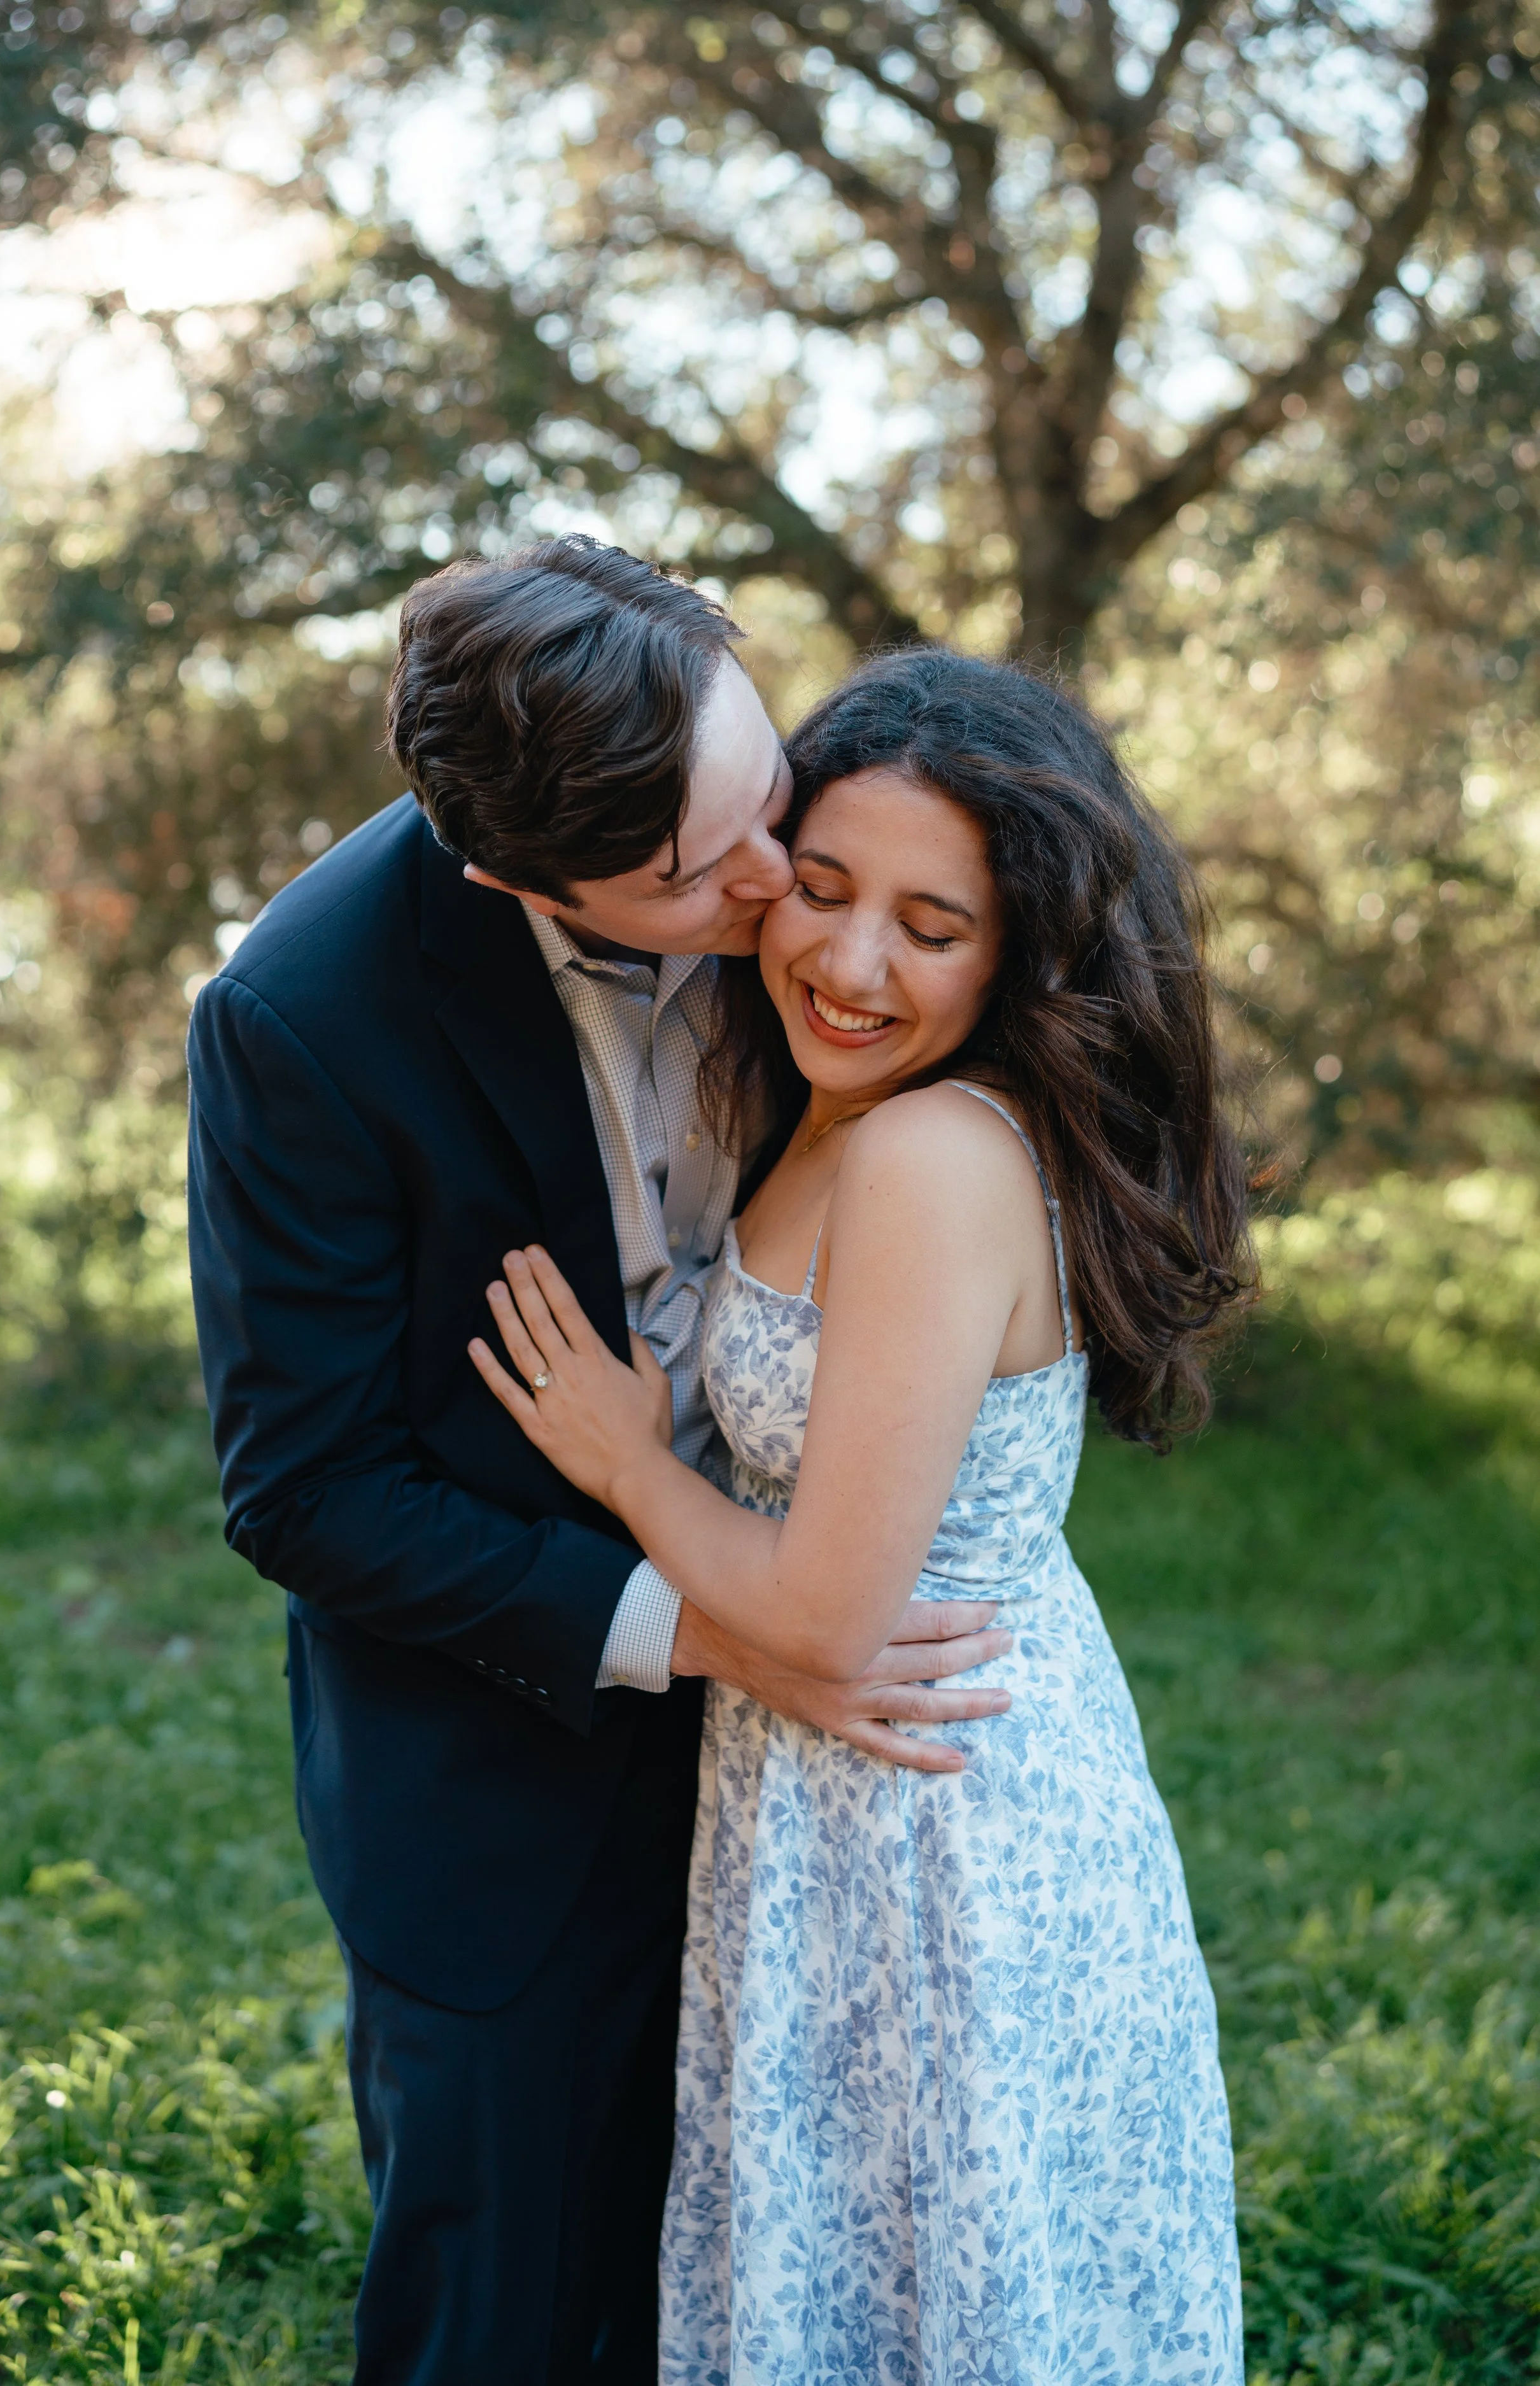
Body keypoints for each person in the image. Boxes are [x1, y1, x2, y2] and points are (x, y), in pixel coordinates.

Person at [185, 539, 1016, 2385]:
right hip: (504, 1777)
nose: (765, 888)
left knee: (751, 2298)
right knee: (495, 2307)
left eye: (760, 802)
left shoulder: (821, 879)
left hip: (828, 1793)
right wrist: (726, 1625)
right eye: (685, 874)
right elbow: (306, 1486)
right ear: (513, 876)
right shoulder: (302, 1019)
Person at [470, 647, 1255, 2385]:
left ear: (1019, 949)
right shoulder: (829, 1108)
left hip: (940, 1816)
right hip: (833, 1800)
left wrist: (622, 1457)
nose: (846, 959)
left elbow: (826, 1620)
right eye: (818, 890)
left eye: (930, 923)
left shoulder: (933, 1157)